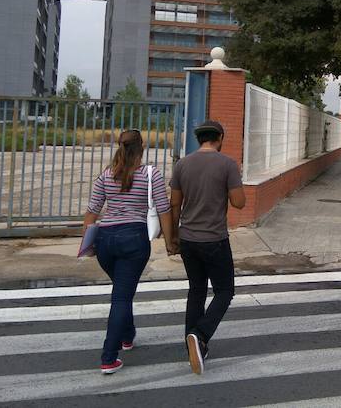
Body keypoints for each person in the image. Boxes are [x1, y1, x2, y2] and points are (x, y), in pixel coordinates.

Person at [83, 129, 178, 375]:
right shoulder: (150, 174)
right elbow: (164, 209)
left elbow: (92, 211)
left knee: (122, 291)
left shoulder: (106, 175)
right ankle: (108, 357)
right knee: (122, 297)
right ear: (142, 147)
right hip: (133, 240)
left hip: (106, 241)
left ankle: (127, 335)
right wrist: (170, 242)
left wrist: (87, 243)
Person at [169, 120, 245, 375]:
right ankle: (199, 335)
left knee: (196, 290)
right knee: (225, 291)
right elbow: (239, 203)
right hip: (214, 239)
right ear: (220, 138)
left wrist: (172, 238)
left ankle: (192, 345)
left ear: (198, 139)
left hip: (188, 239)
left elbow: (174, 205)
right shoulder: (227, 164)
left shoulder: (182, 164)